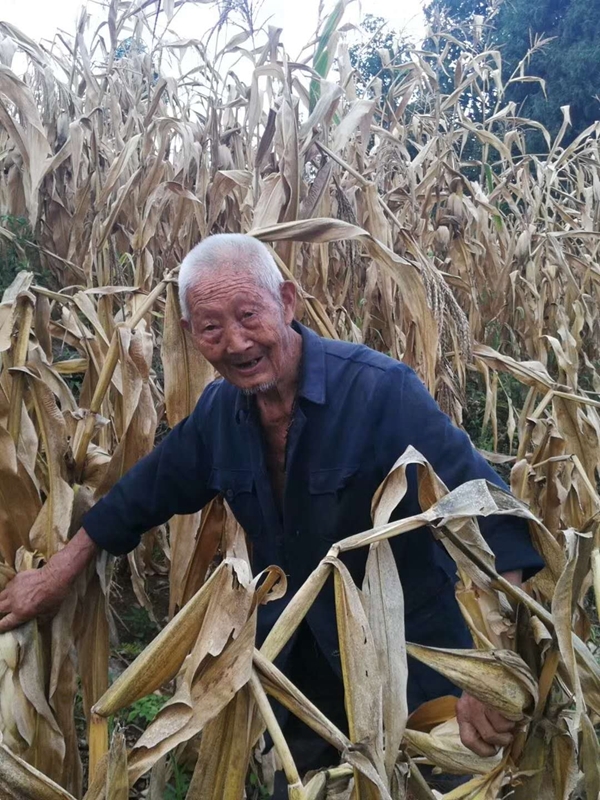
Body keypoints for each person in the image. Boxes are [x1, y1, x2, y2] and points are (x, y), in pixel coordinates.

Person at [0, 234, 542, 784]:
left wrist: (491, 670)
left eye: (248, 315)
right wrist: (55, 575)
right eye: (211, 328)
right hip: (300, 685)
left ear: (286, 301)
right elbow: (139, 497)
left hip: (417, 673)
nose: (236, 342)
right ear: (190, 333)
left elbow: (493, 515)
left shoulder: (381, 392)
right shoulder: (219, 415)